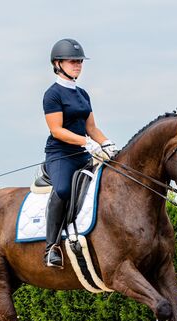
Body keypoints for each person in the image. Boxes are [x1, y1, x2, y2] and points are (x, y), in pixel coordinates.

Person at [42, 38, 117, 268]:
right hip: (61, 154)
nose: (78, 65)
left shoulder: (83, 94)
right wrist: (86, 142)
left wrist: (107, 144)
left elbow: (92, 127)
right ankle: (51, 247)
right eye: (73, 61)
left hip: (84, 153)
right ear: (58, 63)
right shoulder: (52, 94)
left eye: (79, 61)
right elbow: (56, 130)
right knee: (63, 190)